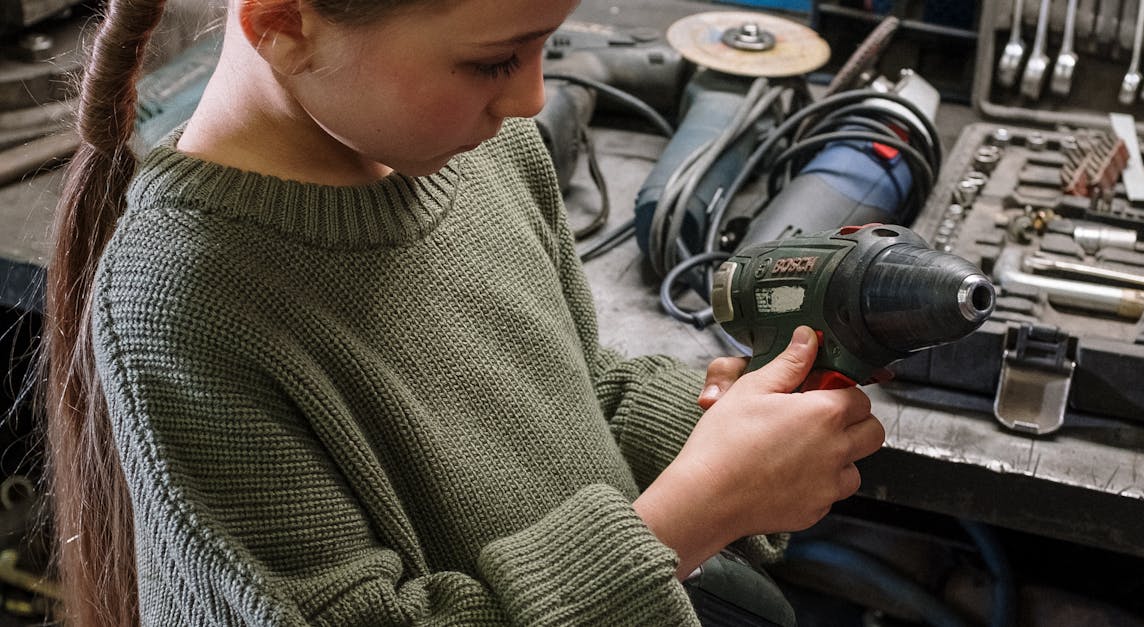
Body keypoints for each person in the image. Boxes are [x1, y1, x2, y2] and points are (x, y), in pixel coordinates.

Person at [41, 0, 885, 624]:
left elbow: (570, 388)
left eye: (547, 44)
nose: (531, 97)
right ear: (283, 23)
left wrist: (721, 422)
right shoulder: (186, 304)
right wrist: (696, 511)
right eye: (494, 61)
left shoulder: (486, 153)